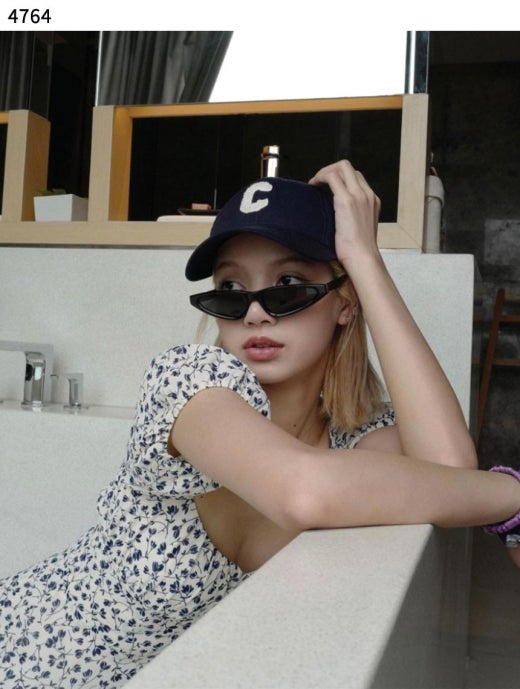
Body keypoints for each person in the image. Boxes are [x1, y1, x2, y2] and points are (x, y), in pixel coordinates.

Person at [1, 160, 519, 689]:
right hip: (25, 652)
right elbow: (302, 491)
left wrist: (367, 263)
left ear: (344, 302)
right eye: (230, 287)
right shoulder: (188, 384)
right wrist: (513, 495)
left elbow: (451, 472)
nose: (254, 313)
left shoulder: (352, 439)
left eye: (287, 284)